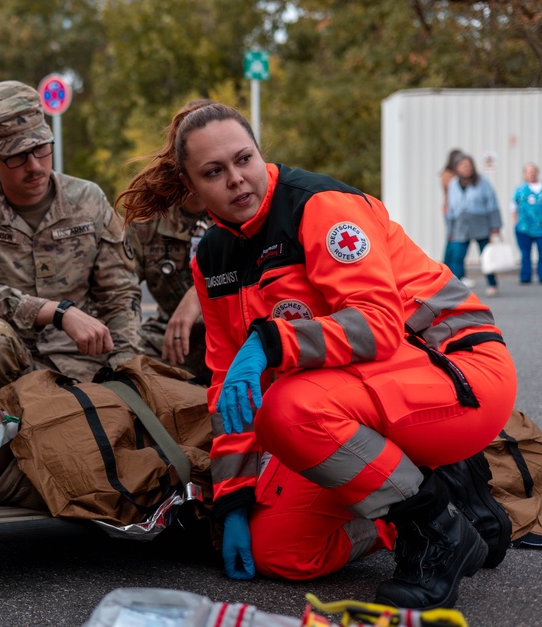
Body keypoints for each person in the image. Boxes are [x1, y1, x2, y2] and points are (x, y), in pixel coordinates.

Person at [117, 100, 517, 609]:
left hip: (460, 373)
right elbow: (228, 386)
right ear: (191, 188)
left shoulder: (318, 206)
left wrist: (268, 342)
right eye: (214, 172)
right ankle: (445, 507)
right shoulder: (213, 257)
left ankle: (437, 531)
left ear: (261, 155)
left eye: (244, 160)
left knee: (289, 406)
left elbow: (378, 325)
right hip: (368, 394)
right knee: (282, 551)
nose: (237, 180)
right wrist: (235, 499)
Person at [0, 80, 142, 409]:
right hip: (8, 364)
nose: (34, 166)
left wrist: (126, 372)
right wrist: (57, 313)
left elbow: (120, 294)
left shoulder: (88, 200)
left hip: (82, 362)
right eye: (16, 156)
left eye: (41, 148)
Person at [0, 355, 213, 528]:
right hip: (200, 417)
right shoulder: (65, 479)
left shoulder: (18, 419)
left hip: (166, 390)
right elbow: (174, 466)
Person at [123, 100, 213, 378]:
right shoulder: (148, 221)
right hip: (173, 340)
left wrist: (199, 291)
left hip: (241, 332)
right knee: (121, 364)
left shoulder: (243, 205)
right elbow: (118, 290)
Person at [444, 154, 503, 295]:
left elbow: (492, 203)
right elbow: (450, 207)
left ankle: (492, 284)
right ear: (457, 168)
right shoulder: (453, 184)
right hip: (460, 225)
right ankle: (456, 288)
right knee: (457, 257)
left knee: (486, 256)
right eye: (463, 166)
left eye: (468, 165)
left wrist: (495, 226)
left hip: (480, 224)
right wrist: (450, 229)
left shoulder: (483, 182)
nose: (466, 168)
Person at [511, 162, 542, 284]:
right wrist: (515, 222)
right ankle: (525, 276)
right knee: (525, 253)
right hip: (524, 227)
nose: (532, 173)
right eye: (529, 171)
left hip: (540, 227)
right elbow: (513, 207)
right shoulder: (520, 190)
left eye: (533, 171)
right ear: (525, 174)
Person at [439, 148, 465, 264]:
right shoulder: (448, 174)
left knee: (453, 238)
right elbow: (450, 189)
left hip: (454, 208)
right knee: (452, 238)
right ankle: (449, 265)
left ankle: (452, 266)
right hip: (450, 208)